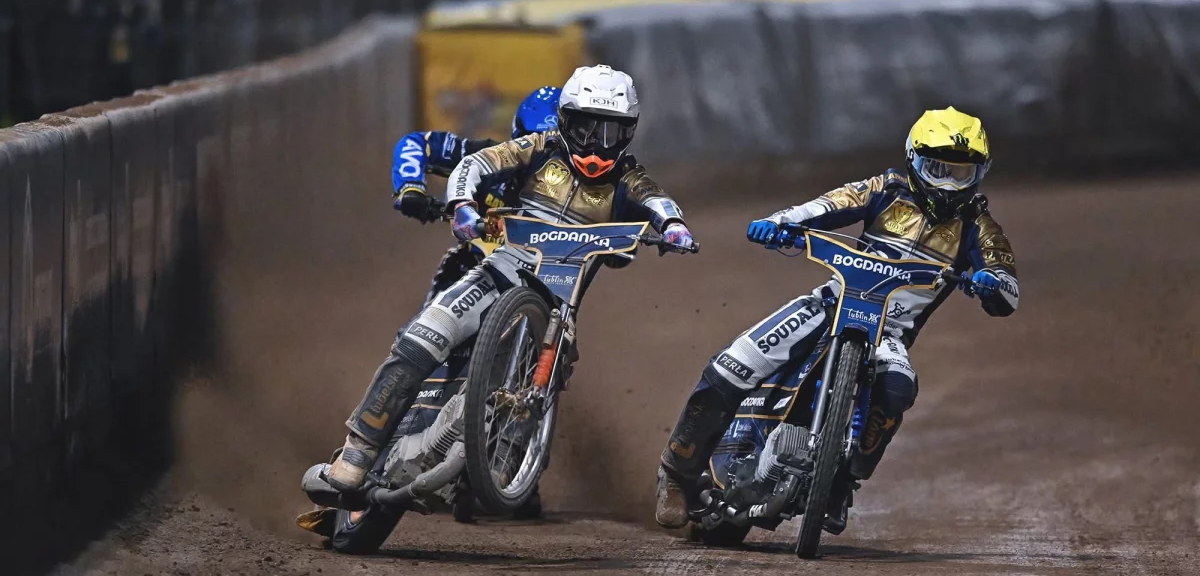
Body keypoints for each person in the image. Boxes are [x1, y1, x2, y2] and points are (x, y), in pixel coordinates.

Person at [324, 64, 696, 492]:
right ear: (563, 123)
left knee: (552, 373)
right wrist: (458, 204)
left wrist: (674, 226)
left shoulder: (628, 178)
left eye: (610, 132)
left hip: (557, 303)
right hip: (494, 271)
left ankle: (514, 466)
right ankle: (360, 448)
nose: (597, 144)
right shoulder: (536, 148)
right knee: (423, 335)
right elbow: (473, 162)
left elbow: (655, 200)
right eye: (587, 129)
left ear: (628, 132)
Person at [655, 107, 1019, 535]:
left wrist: (992, 282)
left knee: (898, 386)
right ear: (914, 160)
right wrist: (778, 222)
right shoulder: (884, 190)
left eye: (961, 173)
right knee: (731, 365)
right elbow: (826, 205)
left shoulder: (980, 226)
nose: (948, 184)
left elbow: (1008, 286)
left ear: (980, 173)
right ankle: (676, 475)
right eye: (938, 169)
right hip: (829, 304)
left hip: (889, 333)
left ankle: (842, 481)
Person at [392, 85, 562, 304]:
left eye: (553, 146)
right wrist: (411, 188)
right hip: (475, 263)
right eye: (532, 139)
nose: (540, 153)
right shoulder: (491, 157)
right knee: (447, 284)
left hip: (545, 282)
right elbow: (417, 143)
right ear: (517, 135)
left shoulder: (586, 189)